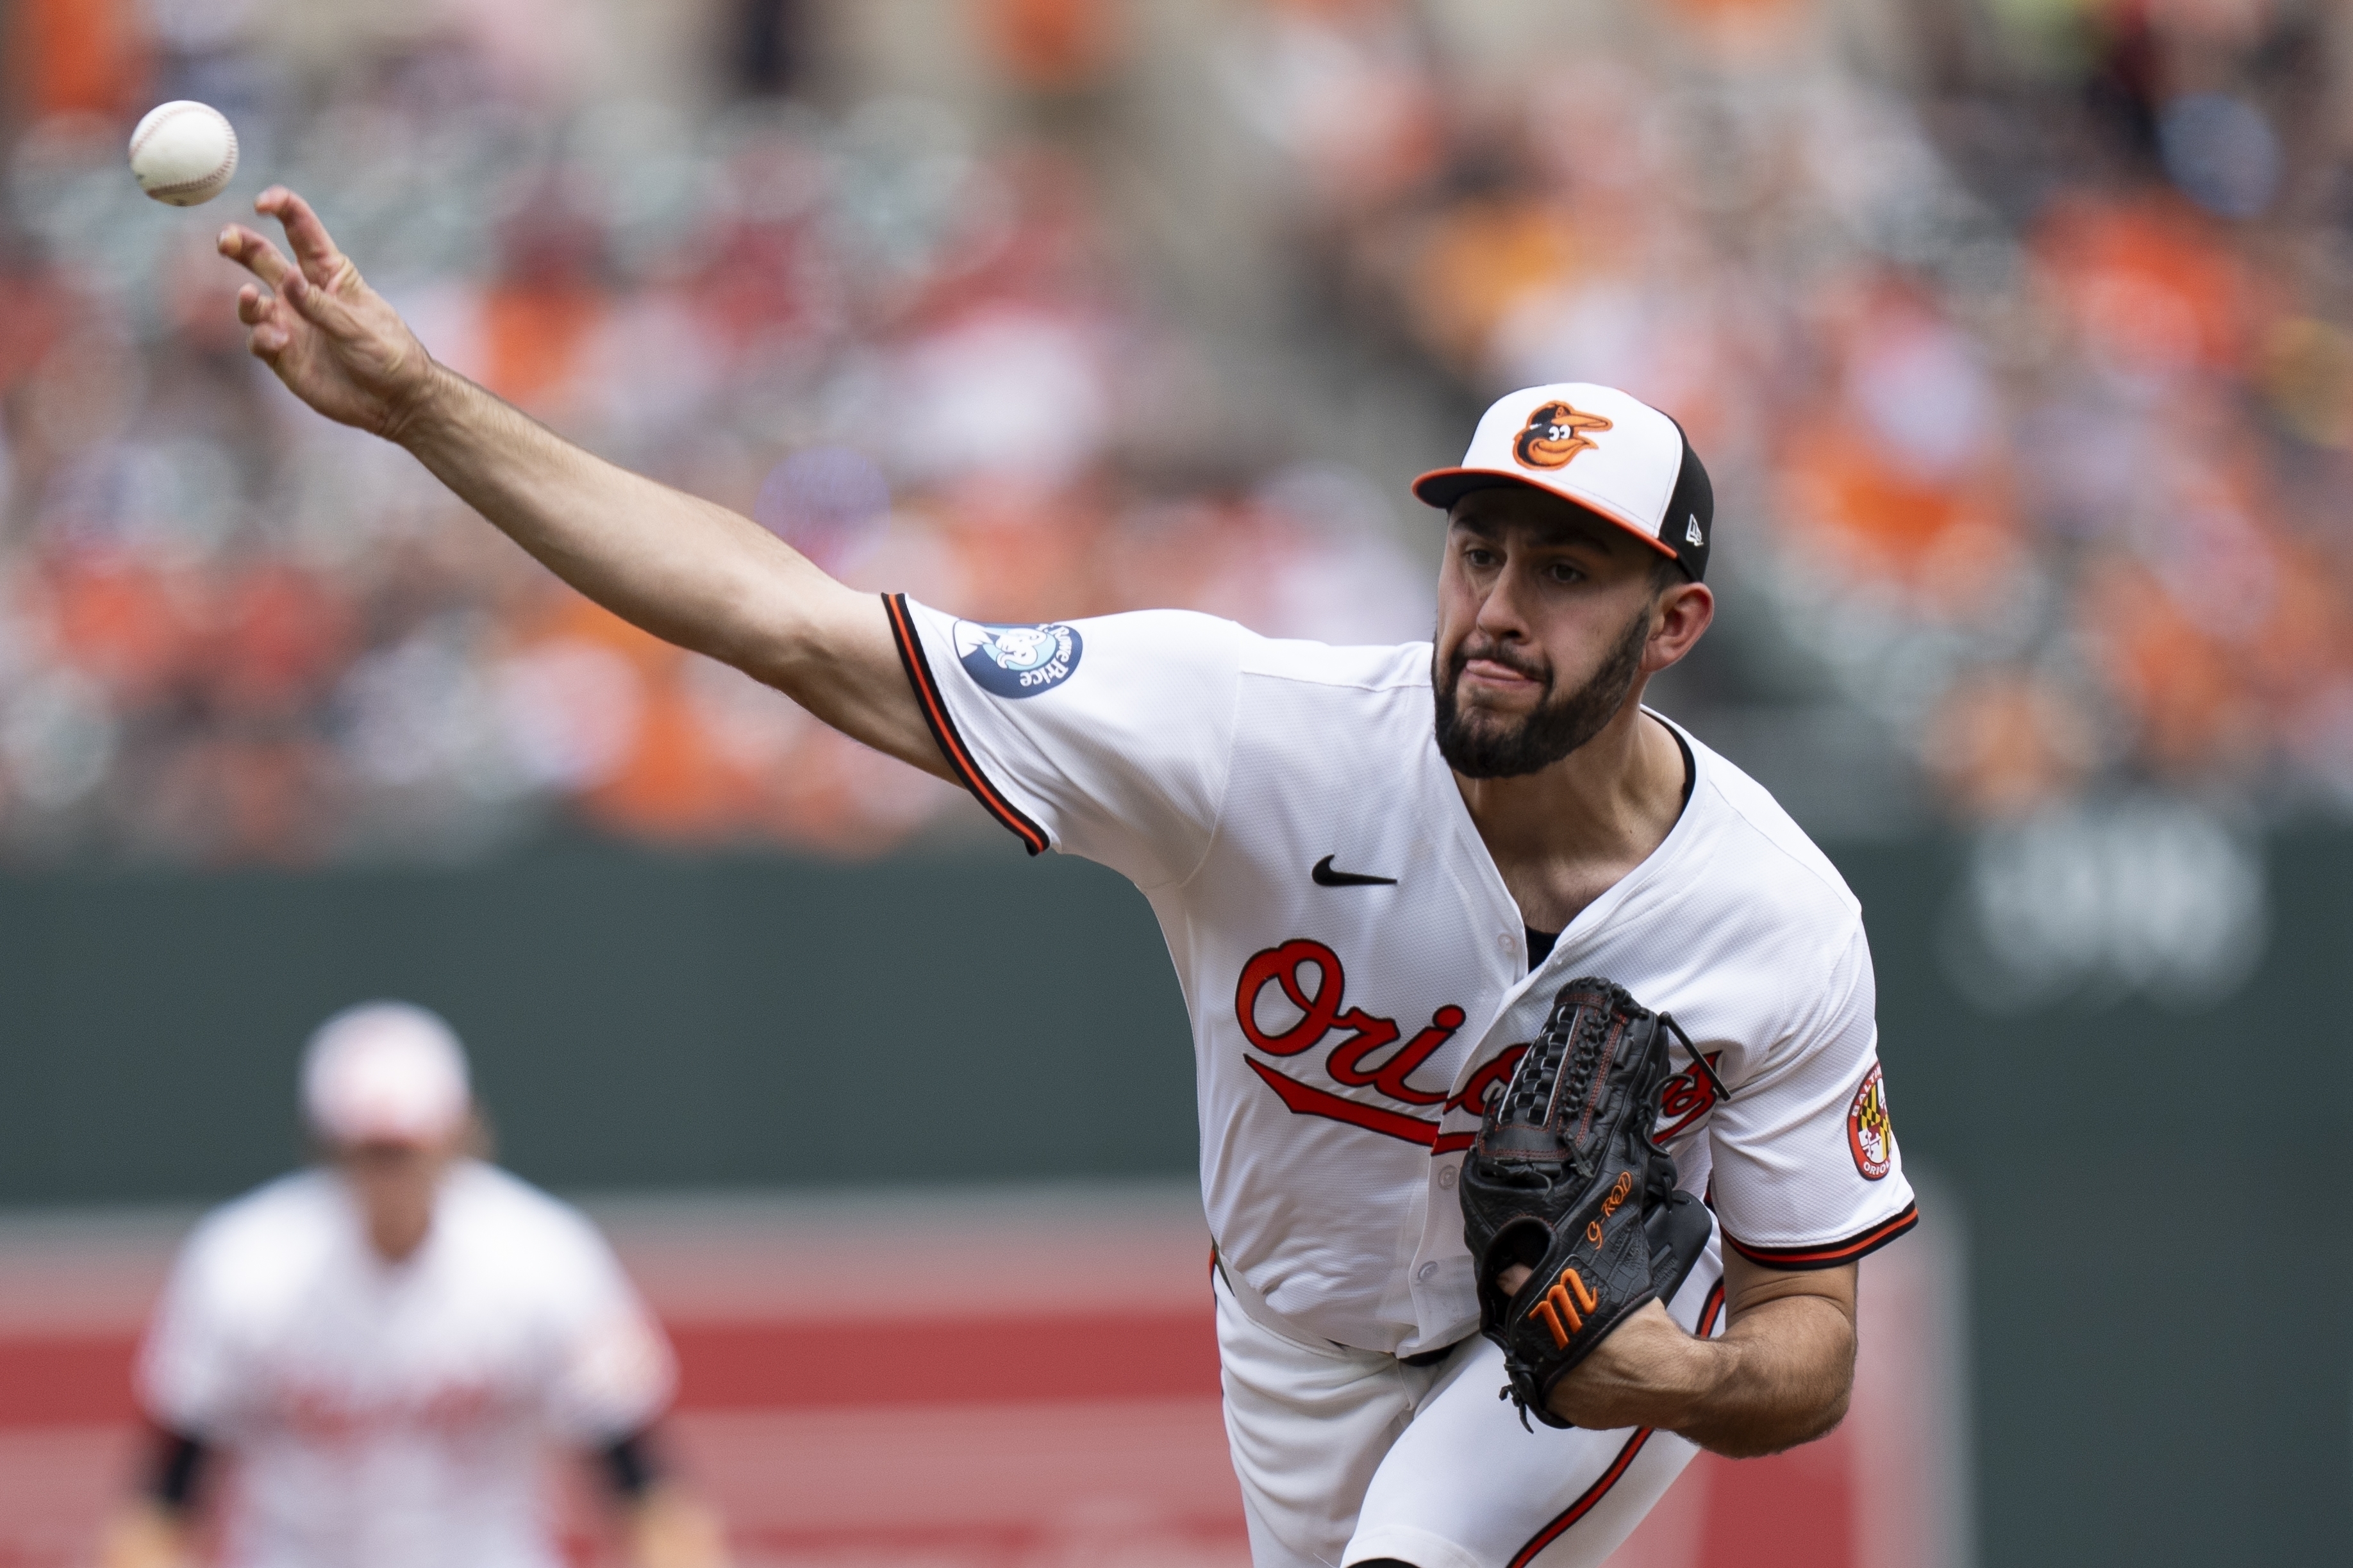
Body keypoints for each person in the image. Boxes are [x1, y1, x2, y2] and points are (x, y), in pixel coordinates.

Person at [209, 190, 1918, 1568]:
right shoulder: (1252, 734)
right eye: (1476, 545)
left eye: (1561, 569)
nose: (1492, 603)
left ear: (1671, 623)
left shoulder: (1765, 914)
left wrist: (1675, 1373)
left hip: (1571, 1341)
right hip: (1290, 1336)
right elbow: (790, 626)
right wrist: (425, 408)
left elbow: (1808, 1330)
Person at [99, 1001, 728, 1568]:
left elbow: (643, 1490)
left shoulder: (543, 1257)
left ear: (460, 1135)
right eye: (370, 1151)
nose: (390, 1175)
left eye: (406, 1149)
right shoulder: (243, 1265)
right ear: (327, 1147)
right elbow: (165, 1501)